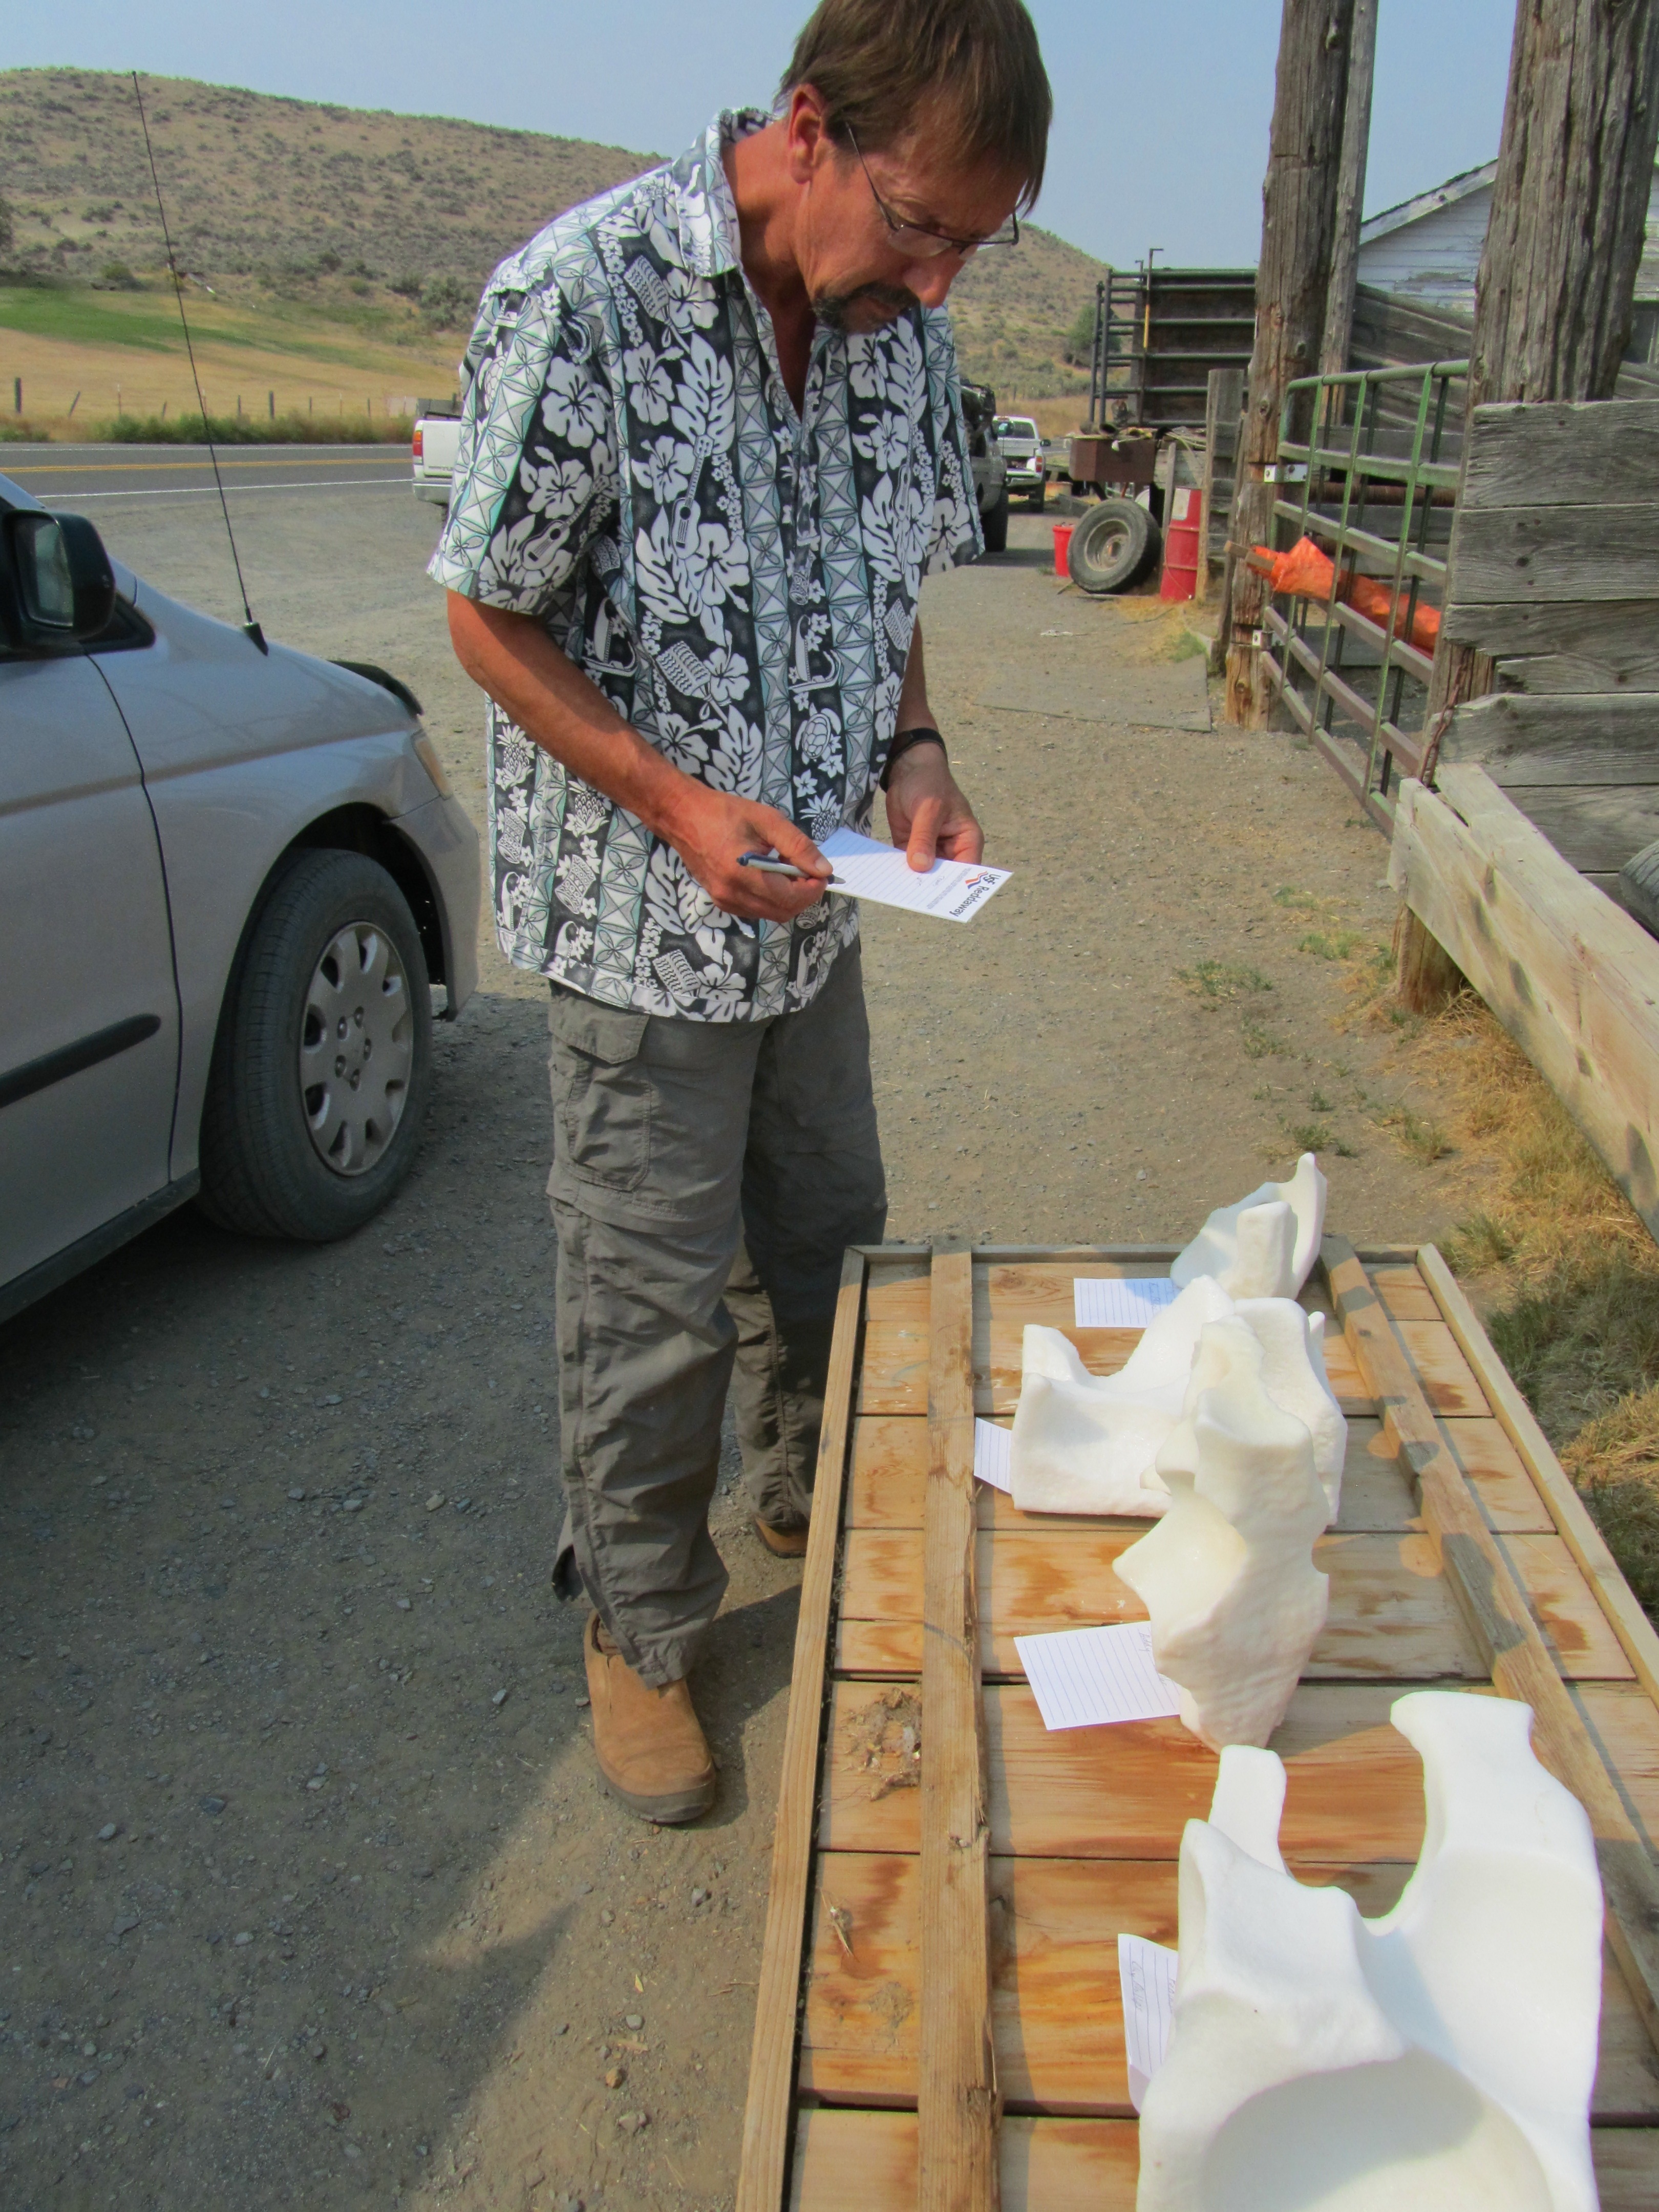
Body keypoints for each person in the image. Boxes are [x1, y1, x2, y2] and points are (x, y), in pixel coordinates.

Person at [434, 0, 1052, 1823]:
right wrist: (678, 805)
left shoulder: (894, 325)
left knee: (827, 1235)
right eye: (922, 228)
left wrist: (916, 751)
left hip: (817, 913)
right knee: (651, 1302)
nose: (938, 285)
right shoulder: (587, 296)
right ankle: (640, 1627)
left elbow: (891, 568)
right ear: (805, 128)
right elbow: (484, 609)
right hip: (645, 923)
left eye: (974, 247)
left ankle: (806, 1486)